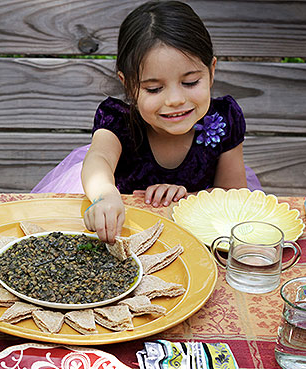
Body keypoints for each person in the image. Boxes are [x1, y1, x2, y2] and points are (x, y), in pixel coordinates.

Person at [32, 1, 259, 243]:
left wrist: (189, 197)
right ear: (128, 84)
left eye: (190, 82)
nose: (175, 100)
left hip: (196, 236)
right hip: (124, 232)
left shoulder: (223, 118)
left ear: (211, 72)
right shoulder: (117, 120)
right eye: (154, 88)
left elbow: (233, 194)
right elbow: (99, 160)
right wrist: (105, 194)